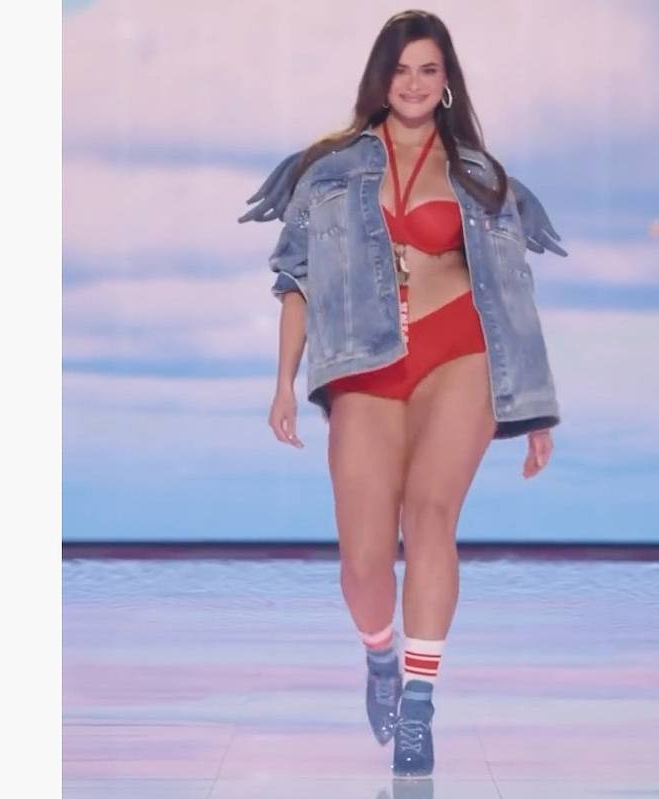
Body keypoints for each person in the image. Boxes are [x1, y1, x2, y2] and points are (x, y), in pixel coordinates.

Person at [238, 10, 566, 779]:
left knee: (429, 515)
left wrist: (536, 406)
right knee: (362, 560)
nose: (413, 84)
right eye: (401, 69)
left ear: (447, 81)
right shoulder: (326, 168)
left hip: (461, 351)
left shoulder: (481, 177)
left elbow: (512, 292)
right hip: (365, 358)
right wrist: (284, 381)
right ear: (380, 79)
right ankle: (381, 653)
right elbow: (296, 279)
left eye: (428, 69)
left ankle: (419, 702)